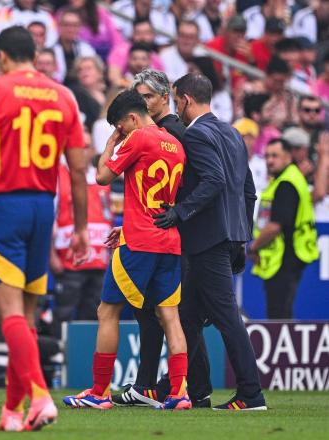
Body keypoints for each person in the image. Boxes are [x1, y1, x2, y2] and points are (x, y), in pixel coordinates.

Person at [0, 26, 88, 432]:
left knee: (5, 311)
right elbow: (78, 169)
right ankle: (11, 411)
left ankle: (40, 396)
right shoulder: (64, 95)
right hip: (44, 206)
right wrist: (77, 227)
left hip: (3, 204)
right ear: (34, 53)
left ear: (3, 56)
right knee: (24, 316)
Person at [63, 89, 190, 411]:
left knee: (107, 312)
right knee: (169, 316)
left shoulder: (139, 138)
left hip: (140, 242)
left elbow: (103, 177)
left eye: (121, 127)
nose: (121, 133)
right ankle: (179, 393)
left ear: (132, 118)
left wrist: (110, 146)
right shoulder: (175, 143)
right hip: (169, 241)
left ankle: (99, 391)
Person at [154, 73, 266, 411]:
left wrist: (180, 212)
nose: (176, 107)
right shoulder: (232, 133)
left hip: (206, 241)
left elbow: (214, 180)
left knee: (228, 317)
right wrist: (241, 237)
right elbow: (249, 191)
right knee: (187, 316)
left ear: (186, 99)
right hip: (228, 237)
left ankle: (251, 394)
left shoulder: (196, 135)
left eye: (176, 101)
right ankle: (192, 389)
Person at [248, 138, 319, 319]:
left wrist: (254, 246)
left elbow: (275, 226)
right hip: (289, 254)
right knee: (282, 310)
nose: (270, 160)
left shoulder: (286, 183)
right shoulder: (290, 177)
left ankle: (283, 346)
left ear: (288, 157)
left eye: (275, 156)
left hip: (285, 255)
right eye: (267, 156)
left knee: (278, 313)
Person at [50, 128, 111, 338]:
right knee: (63, 313)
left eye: (87, 147)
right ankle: (59, 360)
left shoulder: (102, 177)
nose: (84, 151)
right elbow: (49, 217)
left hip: (99, 262)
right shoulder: (59, 176)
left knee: (94, 314)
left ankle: (86, 359)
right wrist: (51, 256)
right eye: (79, 146)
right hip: (70, 262)